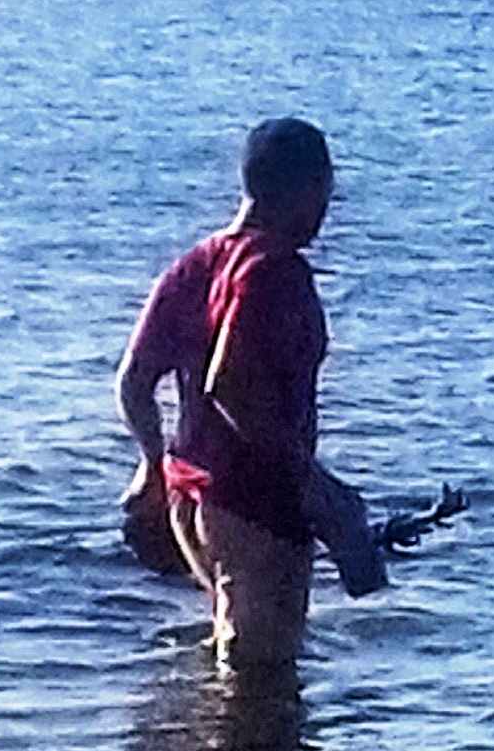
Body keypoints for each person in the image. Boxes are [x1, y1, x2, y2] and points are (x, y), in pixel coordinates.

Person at [117, 118, 383, 667]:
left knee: (229, 655)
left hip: (190, 501)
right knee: (261, 676)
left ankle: (208, 749)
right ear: (307, 188)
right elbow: (230, 386)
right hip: (253, 502)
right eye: (325, 191)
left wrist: (150, 465)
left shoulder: (196, 264)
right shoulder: (273, 271)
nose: (325, 210)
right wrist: (316, 486)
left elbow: (134, 380)